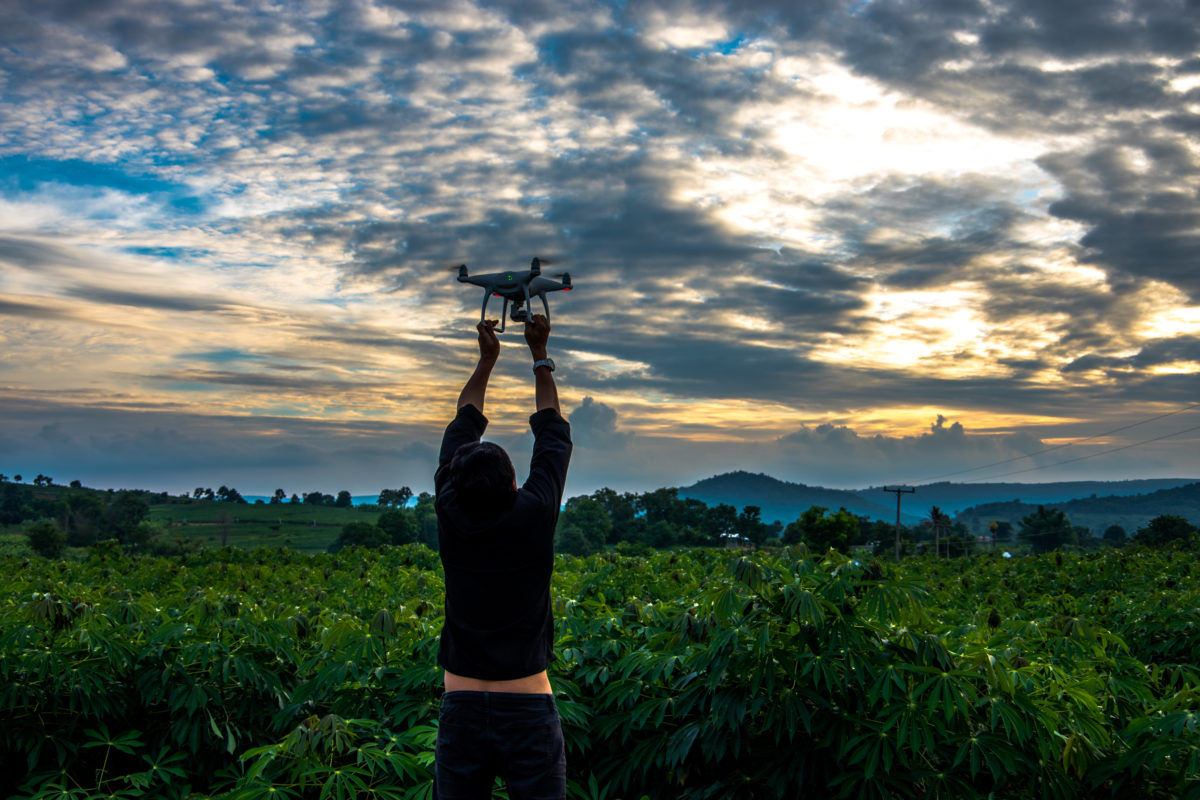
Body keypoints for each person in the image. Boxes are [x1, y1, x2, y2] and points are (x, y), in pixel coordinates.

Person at [432, 313, 572, 800]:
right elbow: (552, 434)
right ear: (514, 483)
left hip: (461, 705)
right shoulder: (534, 512)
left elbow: (463, 423)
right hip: (528, 707)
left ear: (453, 482)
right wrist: (539, 354)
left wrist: (486, 360)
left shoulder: (450, 509)